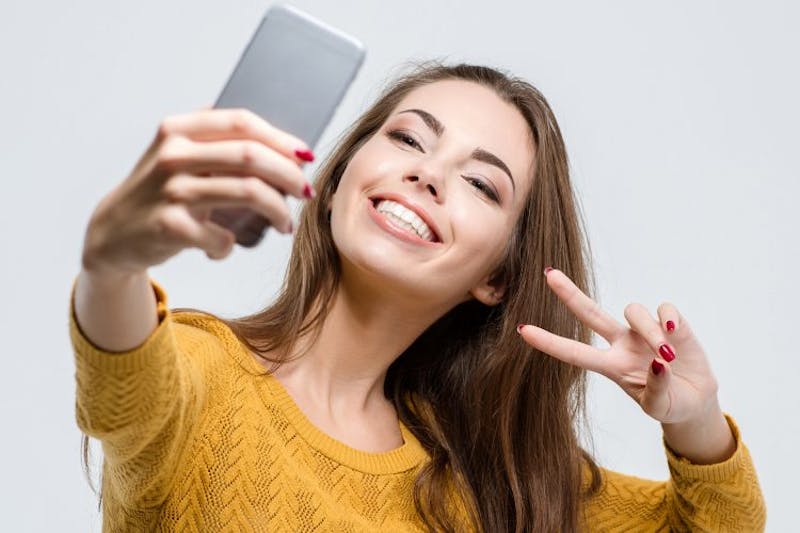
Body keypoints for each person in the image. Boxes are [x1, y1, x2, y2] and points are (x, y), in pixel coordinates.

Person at [69, 62, 766, 532]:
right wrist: (110, 264)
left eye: (481, 183)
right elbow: (123, 380)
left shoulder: (485, 483)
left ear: (494, 277)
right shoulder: (203, 373)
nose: (428, 175)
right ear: (338, 179)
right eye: (408, 138)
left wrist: (694, 418)